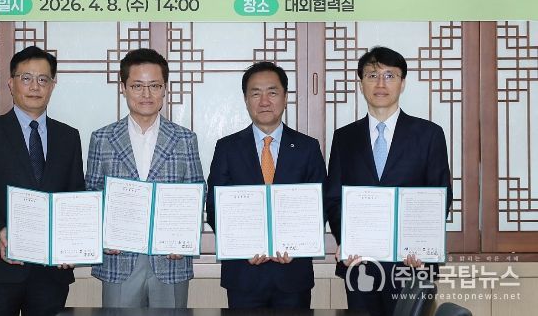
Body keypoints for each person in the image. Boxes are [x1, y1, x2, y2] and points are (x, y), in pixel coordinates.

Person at [324, 46, 452, 316]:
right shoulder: (344, 137)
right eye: (372, 75)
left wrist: (421, 243)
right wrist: (347, 240)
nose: (380, 84)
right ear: (361, 83)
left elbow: (440, 195)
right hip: (359, 265)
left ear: (402, 83)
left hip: (412, 264)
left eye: (390, 76)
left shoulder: (429, 134)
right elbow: (334, 197)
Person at [0, 46, 85, 316]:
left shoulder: (68, 137)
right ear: (11, 83)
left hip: (51, 272)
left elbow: (75, 195)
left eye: (43, 79)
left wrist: (72, 244)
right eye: (26, 78)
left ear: (53, 85)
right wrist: (0, 230)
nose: (35, 86)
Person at [85, 48, 205, 308]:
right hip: (119, 259)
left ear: (165, 89)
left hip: (171, 259)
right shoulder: (102, 138)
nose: (146, 94)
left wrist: (185, 239)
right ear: (124, 88)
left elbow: (197, 192)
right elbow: (91, 194)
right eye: (137, 86)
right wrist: (102, 236)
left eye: (155, 86)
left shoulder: (185, 139)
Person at [206, 61, 327, 309]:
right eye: (255, 93)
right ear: (246, 100)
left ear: (285, 98)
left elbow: (321, 204)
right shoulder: (227, 148)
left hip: (292, 272)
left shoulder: (307, 147)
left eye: (272, 92)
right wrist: (241, 246)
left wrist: (297, 246)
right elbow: (215, 206)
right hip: (244, 273)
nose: (264, 101)